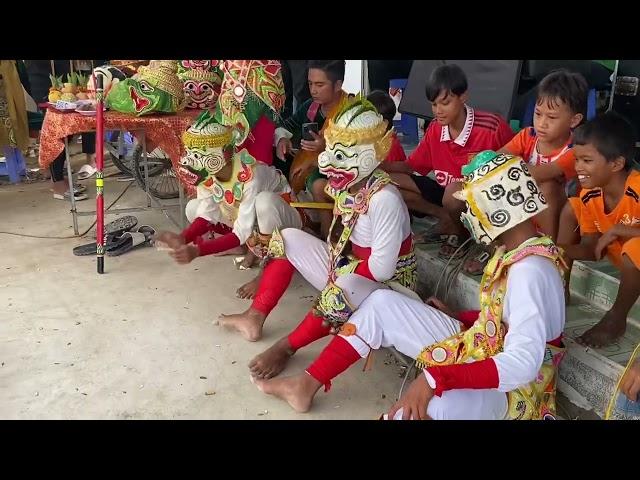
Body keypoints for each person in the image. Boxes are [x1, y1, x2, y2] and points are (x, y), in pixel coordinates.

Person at [252, 151, 567, 420]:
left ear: (494, 210)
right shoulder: (519, 250)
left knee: (428, 404)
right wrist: (463, 316)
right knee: (382, 306)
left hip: (515, 391)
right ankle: (305, 385)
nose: (467, 215)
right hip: (482, 343)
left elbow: (523, 364)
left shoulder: (531, 271)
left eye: (470, 207)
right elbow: (512, 318)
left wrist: (433, 378)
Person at [218, 98, 416, 380]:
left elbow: (381, 270)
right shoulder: (350, 184)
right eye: (330, 150)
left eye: (340, 154)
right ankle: (255, 316)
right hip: (347, 269)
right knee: (286, 238)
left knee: (345, 284)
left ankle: (287, 347)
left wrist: (337, 275)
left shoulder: (385, 198)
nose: (325, 160)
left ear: (368, 157)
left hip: (386, 289)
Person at [155, 112, 305, 299]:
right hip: (252, 222)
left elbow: (240, 233)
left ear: (225, 152)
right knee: (193, 208)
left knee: (264, 202)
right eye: (190, 152)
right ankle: (251, 250)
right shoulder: (210, 172)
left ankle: (266, 271)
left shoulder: (252, 175)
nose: (187, 160)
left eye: (199, 152)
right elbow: (206, 216)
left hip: (287, 221)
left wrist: (199, 250)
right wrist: (183, 238)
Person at [380, 64, 514, 262]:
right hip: (448, 199)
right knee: (384, 181)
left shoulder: (491, 128)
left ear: (463, 97)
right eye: (434, 104)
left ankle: (481, 239)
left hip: (486, 201)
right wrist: (375, 166)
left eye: (445, 103)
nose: (438, 111)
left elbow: (514, 170)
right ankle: (448, 221)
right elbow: (412, 167)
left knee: (453, 193)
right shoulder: (435, 129)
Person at [559, 112, 640, 348]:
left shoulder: (637, 188)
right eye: (576, 159)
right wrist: (555, 249)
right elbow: (592, 249)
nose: (578, 168)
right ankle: (560, 285)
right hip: (623, 262)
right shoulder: (590, 195)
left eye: (587, 160)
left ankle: (616, 317)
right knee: (570, 207)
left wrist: (619, 230)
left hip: (634, 258)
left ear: (616, 163)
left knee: (635, 245)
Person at [274, 60, 350, 238]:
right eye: (310, 84)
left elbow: (356, 153)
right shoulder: (310, 106)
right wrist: (283, 138)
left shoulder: (350, 112)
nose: (313, 90)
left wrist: (327, 148)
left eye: (320, 84)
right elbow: (287, 124)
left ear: (338, 85)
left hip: (341, 171)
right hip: (308, 169)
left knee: (317, 184)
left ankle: (328, 234)